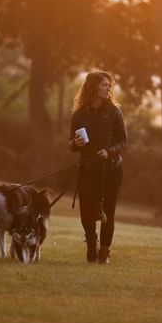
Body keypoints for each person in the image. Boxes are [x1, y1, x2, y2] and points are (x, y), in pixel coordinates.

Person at [69, 71, 128, 264]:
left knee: (108, 213)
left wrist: (108, 152)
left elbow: (123, 141)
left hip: (111, 170)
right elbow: (71, 144)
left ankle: (104, 252)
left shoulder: (114, 112)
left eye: (109, 85)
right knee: (86, 213)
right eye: (104, 85)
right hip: (88, 170)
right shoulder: (78, 115)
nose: (108, 88)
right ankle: (91, 244)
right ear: (93, 88)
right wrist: (76, 144)